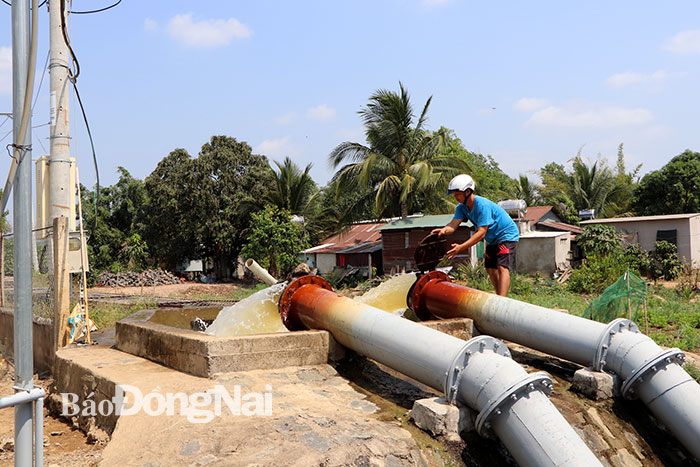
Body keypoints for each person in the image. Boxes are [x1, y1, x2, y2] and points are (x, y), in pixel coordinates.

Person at [431, 174, 519, 296]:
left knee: (502, 267)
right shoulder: (461, 208)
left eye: (458, 193)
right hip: (493, 239)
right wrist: (443, 230)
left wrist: (461, 247)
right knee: (490, 268)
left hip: (506, 235)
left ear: (467, 191)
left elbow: (481, 233)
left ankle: (502, 301)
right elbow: (453, 225)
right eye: (454, 194)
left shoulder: (482, 205)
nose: (455, 196)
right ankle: (499, 295)